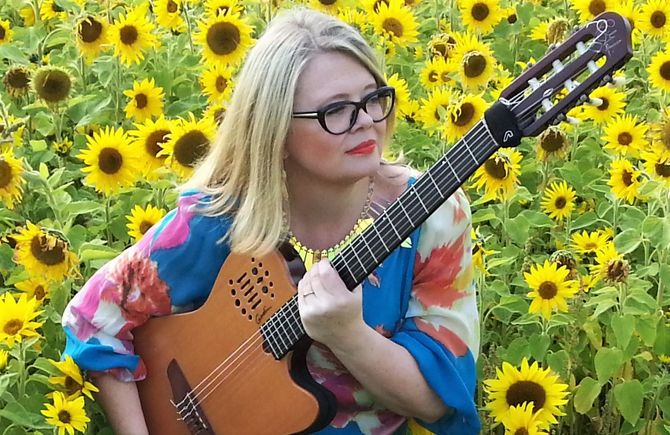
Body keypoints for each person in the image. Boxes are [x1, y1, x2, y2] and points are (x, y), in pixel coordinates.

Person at [61, 7, 480, 434]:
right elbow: (93, 321)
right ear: (274, 129)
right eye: (336, 110)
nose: (368, 121)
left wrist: (348, 335)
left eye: (373, 98)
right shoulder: (222, 215)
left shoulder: (433, 216)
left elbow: (439, 403)